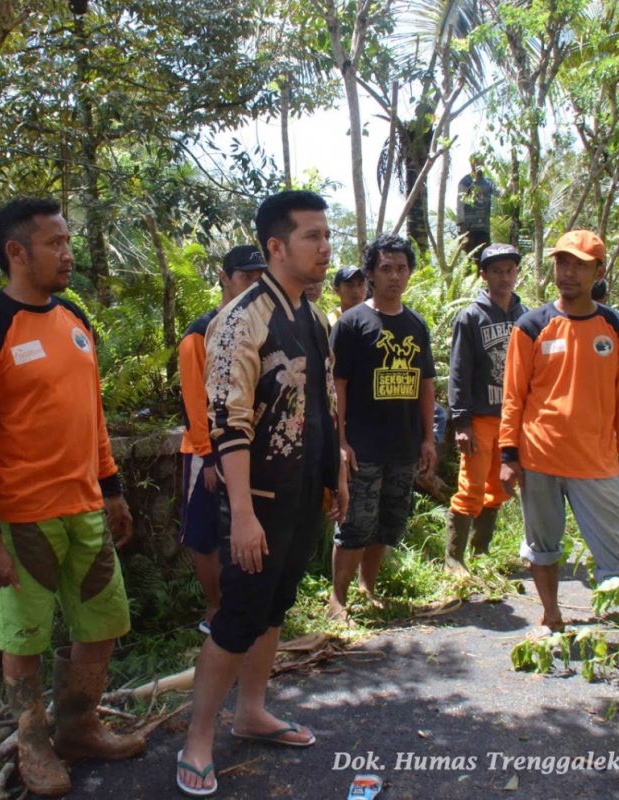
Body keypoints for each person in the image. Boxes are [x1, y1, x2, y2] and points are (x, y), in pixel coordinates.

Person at [0, 198, 144, 796]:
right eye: (55, 243)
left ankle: (78, 726)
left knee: (104, 622)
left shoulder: (75, 320)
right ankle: (33, 742)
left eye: (67, 240)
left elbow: (94, 419)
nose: (68, 253)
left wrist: (110, 491)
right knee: (23, 639)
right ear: (16, 251)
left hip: (85, 509)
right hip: (19, 522)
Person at [176, 190, 348, 798]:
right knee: (237, 615)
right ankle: (198, 738)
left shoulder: (311, 314)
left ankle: (251, 712)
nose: (326, 248)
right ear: (276, 246)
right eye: (312, 237)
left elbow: (323, 401)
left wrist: (338, 472)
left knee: (274, 607)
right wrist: (242, 515)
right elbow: (229, 422)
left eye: (328, 236)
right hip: (261, 502)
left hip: (304, 495)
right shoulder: (240, 319)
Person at [499, 229, 619, 632]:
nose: (568, 272)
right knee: (543, 545)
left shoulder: (618, 329)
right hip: (540, 456)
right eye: (562, 262)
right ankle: (551, 614)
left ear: (599, 269)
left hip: (597, 461)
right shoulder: (531, 326)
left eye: (579, 264)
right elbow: (514, 396)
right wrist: (509, 456)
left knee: (614, 551)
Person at [328, 234, 437, 621]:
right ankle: (337, 600)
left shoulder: (416, 325)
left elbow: (426, 383)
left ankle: (367, 587)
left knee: (386, 525)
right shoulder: (352, 324)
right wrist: (340, 441)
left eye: (402, 268)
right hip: (362, 445)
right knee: (355, 524)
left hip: (404, 445)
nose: (395, 276)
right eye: (386, 268)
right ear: (372, 273)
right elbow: (336, 386)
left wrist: (428, 437)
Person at [178, 245, 266, 635]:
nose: (254, 284)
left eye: (259, 277)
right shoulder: (199, 332)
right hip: (208, 454)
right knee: (205, 535)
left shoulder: (259, 325)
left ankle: (245, 609)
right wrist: (208, 455)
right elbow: (195, 399)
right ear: (224, 277)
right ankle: (214, 610)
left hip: (248, 449)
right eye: (246, 276)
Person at [445, 243, 528, 569]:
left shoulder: (526, 316)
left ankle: (481, 552)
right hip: (480, 417)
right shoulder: (471, 317)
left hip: (513, 419)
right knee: (471, 486)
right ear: (484, 274)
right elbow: (459, 370)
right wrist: (461, 422)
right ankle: (453, 558)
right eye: (496, 271)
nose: (504, 277)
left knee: (498, 487)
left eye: (509, 270)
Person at [456, 154, 495, 257]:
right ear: (471, 164)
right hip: (469, 228)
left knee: (484, 258)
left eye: (481, 163)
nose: (479, 165)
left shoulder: (488, 182)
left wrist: (511, 184)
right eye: (476, 163)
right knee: (469, 259)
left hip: (484, 228)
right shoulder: (466, 181)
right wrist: (460, 227)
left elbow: (501, 193)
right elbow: (460, 204)